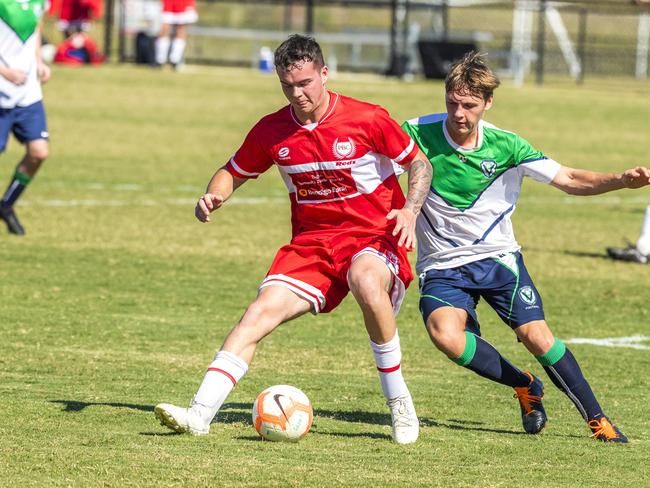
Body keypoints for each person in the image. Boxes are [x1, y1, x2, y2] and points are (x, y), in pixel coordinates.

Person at [155, 34, 432, 444]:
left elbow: (419, 164)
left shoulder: (368, 118)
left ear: (324, 73)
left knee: (365, 279)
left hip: (374, 238)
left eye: (305, 83)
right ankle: (198, 414)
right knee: (258, 313)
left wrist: (409, 210)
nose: (298, 94)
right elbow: (233, 170)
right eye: (288, 86)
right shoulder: (273, 130)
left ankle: (399, 403)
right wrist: (214, 194)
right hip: (312, 245)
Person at [401, 51, 650, 443]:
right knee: (444, 335)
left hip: (498, 260)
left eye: (469, 105)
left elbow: (568, 178)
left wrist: (621, 179)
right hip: (442, 264)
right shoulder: (415, 133)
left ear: (487, 103)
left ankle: (599, 421)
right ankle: (525, 385)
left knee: (536, 335)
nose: (459, 113)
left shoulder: (507, 145)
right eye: (453, 102)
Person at [0, 0, 52, 236]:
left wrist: (39, 63)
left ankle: (6, 204)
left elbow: (37, 28)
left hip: (28, 91)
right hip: (2, 88)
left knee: (39, 152)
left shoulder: (39, 1)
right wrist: (6, 72)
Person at [155, 0, 198, 69]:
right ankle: (160, 60)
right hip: (168, 3)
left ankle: (175, 60)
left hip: (183, 3)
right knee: (164, 29)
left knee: (181, 29)